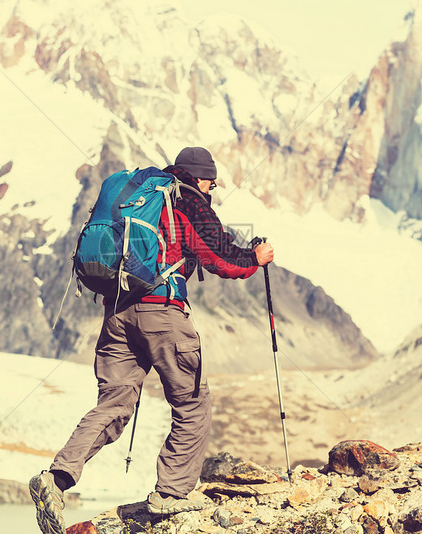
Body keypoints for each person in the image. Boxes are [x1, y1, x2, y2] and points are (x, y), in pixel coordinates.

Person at [29, 147, 274, 534]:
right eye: (211, 180)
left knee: (113, 404)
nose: (213, 187)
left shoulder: (138, 194)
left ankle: (56, 478)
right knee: (193, 404)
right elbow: (219, 256)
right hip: (161, 312)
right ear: (196, 176)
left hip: (116, 314)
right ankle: (170, 496)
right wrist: (255, 258)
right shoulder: (186, 200)